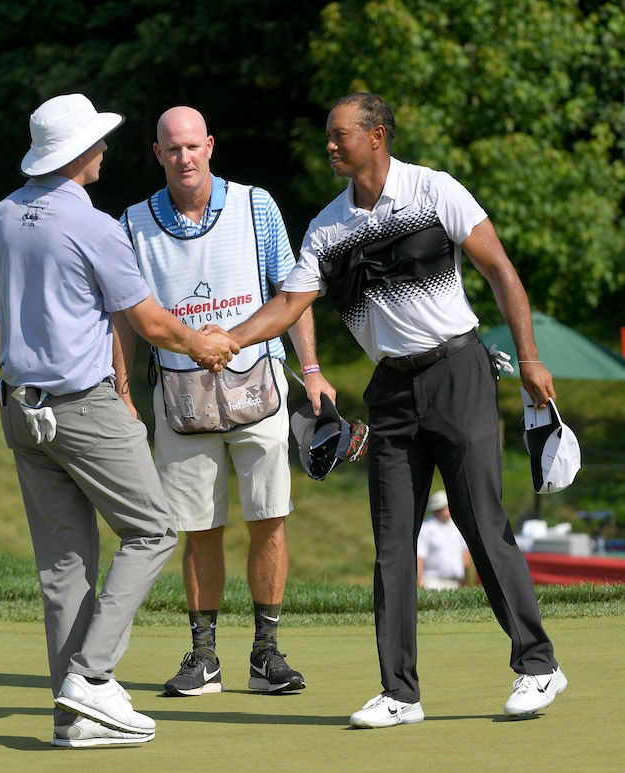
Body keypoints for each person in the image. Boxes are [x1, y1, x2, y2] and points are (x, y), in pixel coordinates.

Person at [226, 92, 566, 727]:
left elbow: (500, 271)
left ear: (376, 135)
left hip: (458, 369)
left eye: (339, 134)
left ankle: (539, 665)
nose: (329, 145)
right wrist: (233, 338)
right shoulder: (328, 227)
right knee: (391, 543)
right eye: (328, 135)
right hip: (391, 390)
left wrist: (529, 359)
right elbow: (291, 302)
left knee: (480, 523)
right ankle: (399, 693)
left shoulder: (435, 191)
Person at [0, 93, 238, 748]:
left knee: (64, 565)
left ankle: (75, 719)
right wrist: (204, 344)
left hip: (19, 405)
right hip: (83, 406)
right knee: (153, 528)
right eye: (96, 141)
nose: (104, 150)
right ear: (77, 154)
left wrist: (23, 377)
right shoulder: (95, 226)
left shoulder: (0, 218)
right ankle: (91, 678)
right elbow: (149, 323)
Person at [118, 106, 334, 698]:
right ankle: (204, 658)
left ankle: (266, 655)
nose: (184, 157)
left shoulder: (255, 205)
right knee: (199, 529)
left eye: (193, 146)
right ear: (157, 154)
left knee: (269, 520)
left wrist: (312, 371)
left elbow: (293, 294)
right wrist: (122, 389)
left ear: (209, 146)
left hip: (258, 388)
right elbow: (125, 319)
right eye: (172, 148)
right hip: (179, 402)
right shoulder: (132, 222)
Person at [417, 490, 471, 590]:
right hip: (432, 583)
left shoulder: (457, 526)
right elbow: (419, 557)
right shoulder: (426, 527)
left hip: (456, 583)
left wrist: (465, 579)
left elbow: (465, 553)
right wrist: (420, 582)